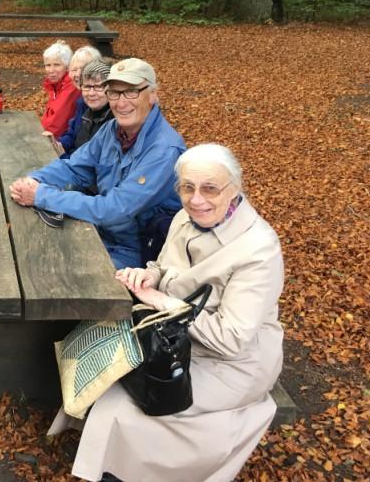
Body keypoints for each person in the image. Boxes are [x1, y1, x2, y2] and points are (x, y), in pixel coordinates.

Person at [49, 143, 285, 482]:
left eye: (210, 188)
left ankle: (121, 472)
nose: (196, 199)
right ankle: (106, 461)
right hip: (171, 333)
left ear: (235, 189)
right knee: (101, 365)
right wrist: (149, 275)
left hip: (231, 363)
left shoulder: (258, 250)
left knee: (125, 408)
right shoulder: (184, 217)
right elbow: (164, 264)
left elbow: (232, 339)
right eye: (187, 187)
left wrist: (163, 302)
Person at [9, 58, 185, 269]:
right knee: (26, 252)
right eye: (114, 92)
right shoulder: (112, 130)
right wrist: (34, 180)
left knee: (54, 271)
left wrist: (41, 195)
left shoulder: (164, 150)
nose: (121, 103)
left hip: (140, 256)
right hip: (101, 232)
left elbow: (114, 209)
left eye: (131, 92)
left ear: (153, 94)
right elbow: (73, 167)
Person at [49, 52, 112, 157]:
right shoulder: (83, 105)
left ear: (111, 88)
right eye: (87, 86)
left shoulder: (114, 119)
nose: (91, 93)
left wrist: (63, 157)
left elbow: (93, 163)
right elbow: (71, 134)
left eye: (98, 86)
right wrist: (59, 145)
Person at [40, 40, 80, 138]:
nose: (51, 70)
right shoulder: (56, 85)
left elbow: (57, 125)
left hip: (61, 142)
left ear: (67, 67)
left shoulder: (71, 86)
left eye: (57, 65)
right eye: (48, 65)